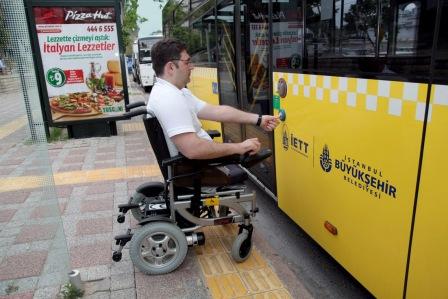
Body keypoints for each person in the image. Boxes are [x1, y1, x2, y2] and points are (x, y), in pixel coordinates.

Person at [147, 38, 279, 161]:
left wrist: (258, 120)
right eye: (187, 62)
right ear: (171, 67)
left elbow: (216, 111)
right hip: (201, 171)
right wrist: (240, 147)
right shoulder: (169, 98)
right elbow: (193, 149)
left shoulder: (176, 92)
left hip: (201, 168)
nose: (192, 67)